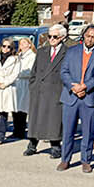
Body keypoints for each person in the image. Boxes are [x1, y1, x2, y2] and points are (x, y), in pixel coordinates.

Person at [58, 22, 94, 173]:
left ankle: (86, 160)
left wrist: (85, 86)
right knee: (68, 131)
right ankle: (65, 159)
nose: (90, 39)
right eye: (88, 36)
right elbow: (64, 72)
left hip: (91, 98)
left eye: (93, 37)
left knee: (88, 132)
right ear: (83, 36)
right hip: (71, 97)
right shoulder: (72, 51)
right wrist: (73, 87)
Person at [25, 23, 70, 157]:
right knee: (35, 119)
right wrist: (33, 87)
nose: (51, 39)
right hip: (39, 91)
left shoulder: (67, 52)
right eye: (49, 36)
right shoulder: (41, 51)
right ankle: (32, 144)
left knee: (54, 120)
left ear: (62, 37)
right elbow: (34, 72)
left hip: (56, 91)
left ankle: (55, 146)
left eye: (54, 37)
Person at [13, 37, 34, 142]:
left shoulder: (32, 56)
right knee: (15, 107)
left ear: (29, 45)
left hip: (25, 83)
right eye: (20, 43)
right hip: (16, 83)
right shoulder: (18, 56)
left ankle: (21, 130)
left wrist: (18, 74)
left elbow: (30, 71)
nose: (22, 45)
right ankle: (16, 130)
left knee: (23, 108)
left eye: (24, 43)